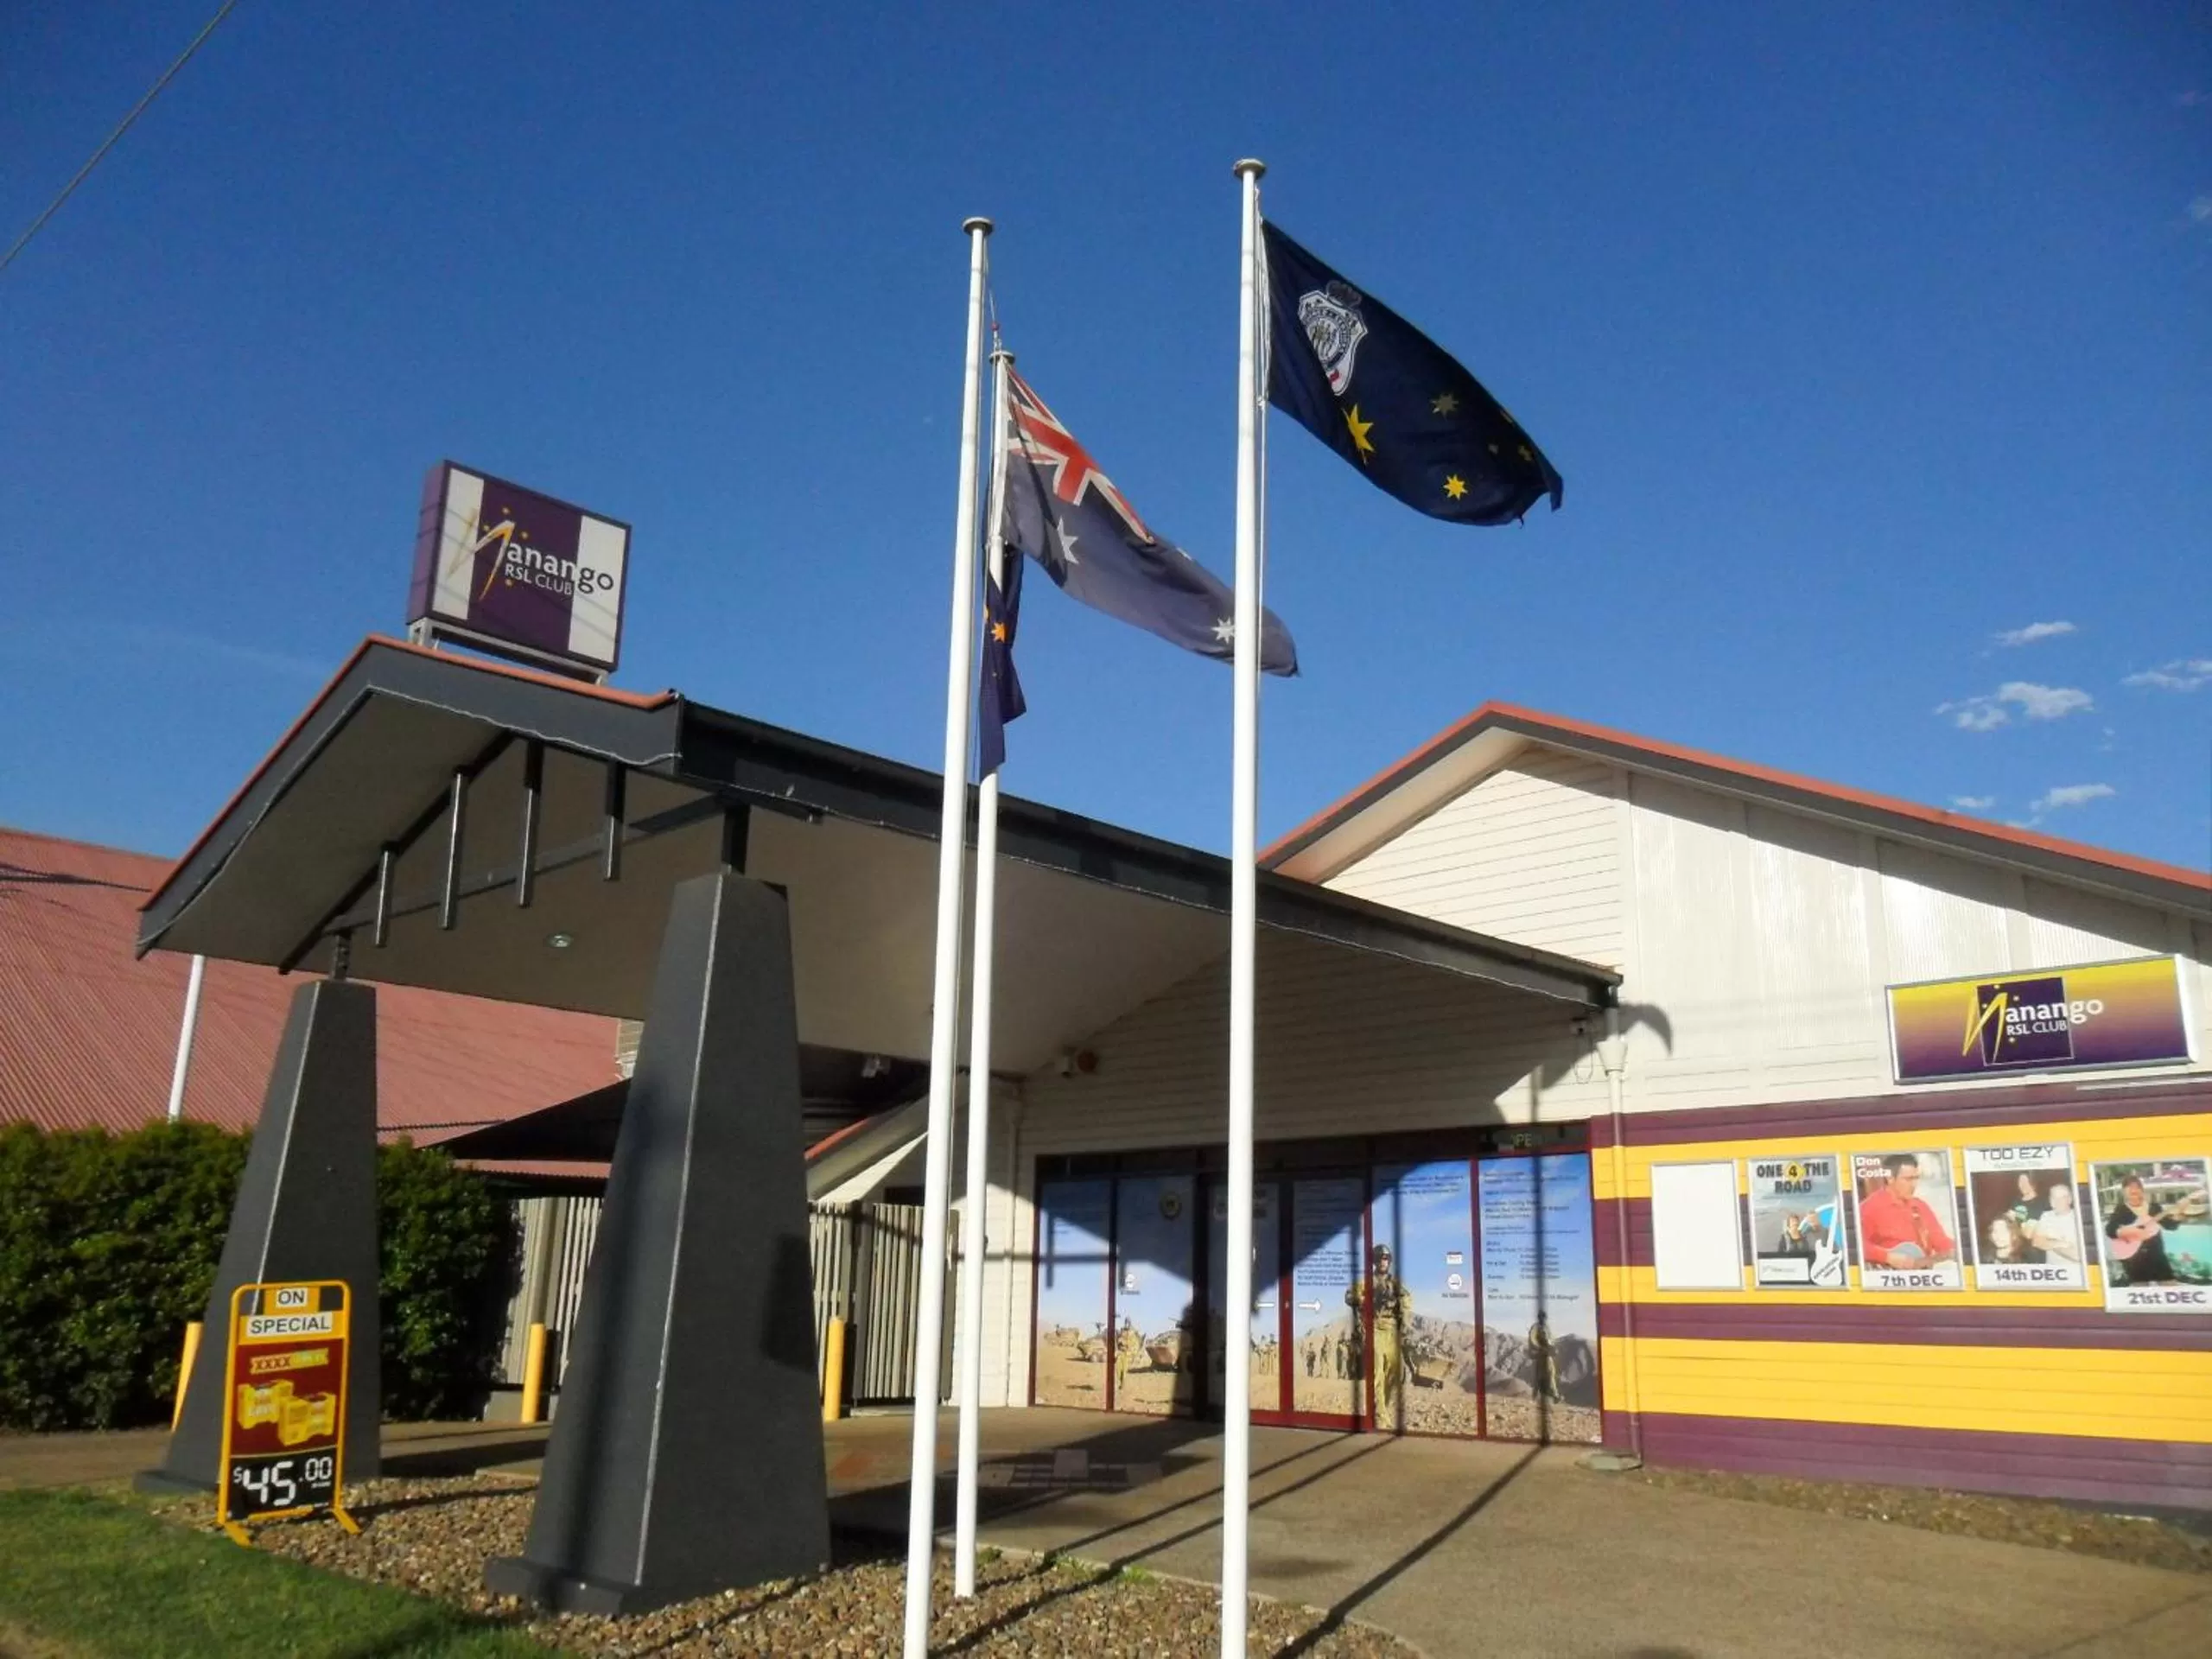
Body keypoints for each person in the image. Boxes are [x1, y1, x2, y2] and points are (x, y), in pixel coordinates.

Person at [1347, 1244, 1414, 1427]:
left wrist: (1400, 1305)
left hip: (1391, 1329)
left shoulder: (1395, 1283)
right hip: (1374, 1327)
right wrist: (1365, 1299)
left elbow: (1407, 1301)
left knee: (1394, 1372)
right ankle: (1380, 1415)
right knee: (1377, 1370)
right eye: (1379, 1258)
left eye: (1385, 1258)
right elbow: (1349, 1296)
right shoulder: (1366, 1282)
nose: (1382, 1262)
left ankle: (1382, 1408)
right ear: (1374, 1262)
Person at [1857, 1155, 1957, 1269]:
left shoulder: (1920, 1206)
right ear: (1890, 1178)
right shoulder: (1870, 1208)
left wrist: (1957, 1250)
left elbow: (1939, 1240)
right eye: (1908, 1179)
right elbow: (1855, 1245)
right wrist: (1887, 1257)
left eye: (1916, 1178)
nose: (1914, 1185)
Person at [2106, 1176, 2176, 1285]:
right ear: (2124, 1192)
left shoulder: (2154, 1207)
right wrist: (2132, 1232)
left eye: (2137, 1187)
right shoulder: (2121, 1209)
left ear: (2142, 1190)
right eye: (2129, 1188)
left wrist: (2181, 1214)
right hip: (2134, 1259)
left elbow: (2171, 1226)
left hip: (2157, 1256)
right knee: (2140, 1290)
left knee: (2171, 1287)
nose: (2133, 1190)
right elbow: (2110, 1230)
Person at [2028, 1179, 2082, 1267]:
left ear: (2070, 1199)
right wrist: (2062, 1244)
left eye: (2062, 1198)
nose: (2057, 1201)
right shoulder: (2046, 1216)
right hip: (2054, 1272)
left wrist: (2050, 1243)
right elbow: (2036, 1242)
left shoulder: (2079, 1217)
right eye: (2054, 1198)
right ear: (2050, 1200)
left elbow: (2079, 1256)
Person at [1526, 1311, 1560, 1404]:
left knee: (1550, 1374)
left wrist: (1551, 1349)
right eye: (1543, 1317)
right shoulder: (1535, 1328)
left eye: (1545, 1318)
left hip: (1547, 1355)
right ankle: (1536, 1397)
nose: (1544, 1319)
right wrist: (1541, 1349)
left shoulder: (1546, 1328)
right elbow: (1532, 1341)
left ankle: (1554, 1396)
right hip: (1541, 1356)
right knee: (1540, 1377)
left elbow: (1551, 1340)